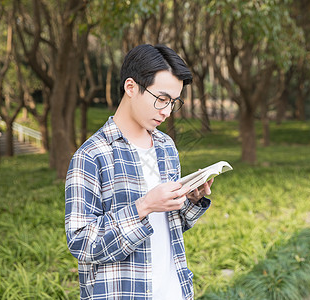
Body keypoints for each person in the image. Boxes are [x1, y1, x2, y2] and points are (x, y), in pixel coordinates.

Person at [65, 44, 213, 300]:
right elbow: (81, 244)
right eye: (162, 99)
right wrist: (143, 206)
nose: (166, 111)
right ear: (131, 87)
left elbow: (170, 226)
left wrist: (191, 201)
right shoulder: (91, 155)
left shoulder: (166, 146)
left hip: (174, 291)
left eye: (173, 102)